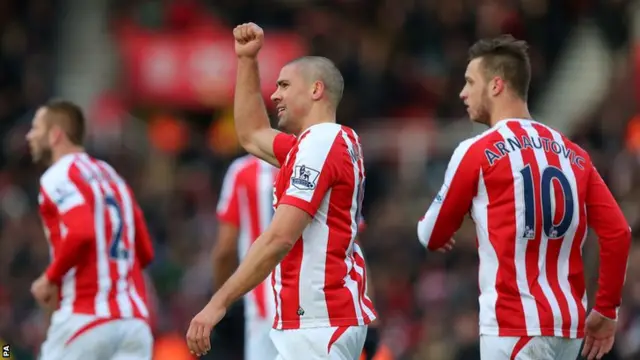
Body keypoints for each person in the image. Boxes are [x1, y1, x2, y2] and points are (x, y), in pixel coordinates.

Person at [416, 35, 631, 360]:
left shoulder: (477, 151)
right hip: (569, 330)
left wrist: (446, 228)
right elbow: (618, 232)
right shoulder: (575, 155)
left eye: (470, 82)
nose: (463, 93)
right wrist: (607, 308)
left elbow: (432, 234)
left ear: (496, 85)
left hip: (513, 325)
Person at [186, 22, 377, 359]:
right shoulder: (318, 145)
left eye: (284, 85)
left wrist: (218, 302)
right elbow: (250, 133)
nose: (274, 95)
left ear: (316, 89)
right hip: (315, 322)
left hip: (319, 322)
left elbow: (279, 238)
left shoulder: (321, 142)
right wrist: (247, 60)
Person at [26, 100, 155, 360]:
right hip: (134, 325)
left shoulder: (58, 176)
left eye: (36, 128)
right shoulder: (113, 177)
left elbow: (81, 231)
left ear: (55, 135)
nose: (30, 135)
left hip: (85, 319)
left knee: (5, 354)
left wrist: (49, 278)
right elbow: (145, 252)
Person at [212, 154, 279, 360]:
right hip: (315, 305)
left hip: (263, 306)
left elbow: (225, 249)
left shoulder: (243, 170)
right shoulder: (317, 160)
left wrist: (222, 302)